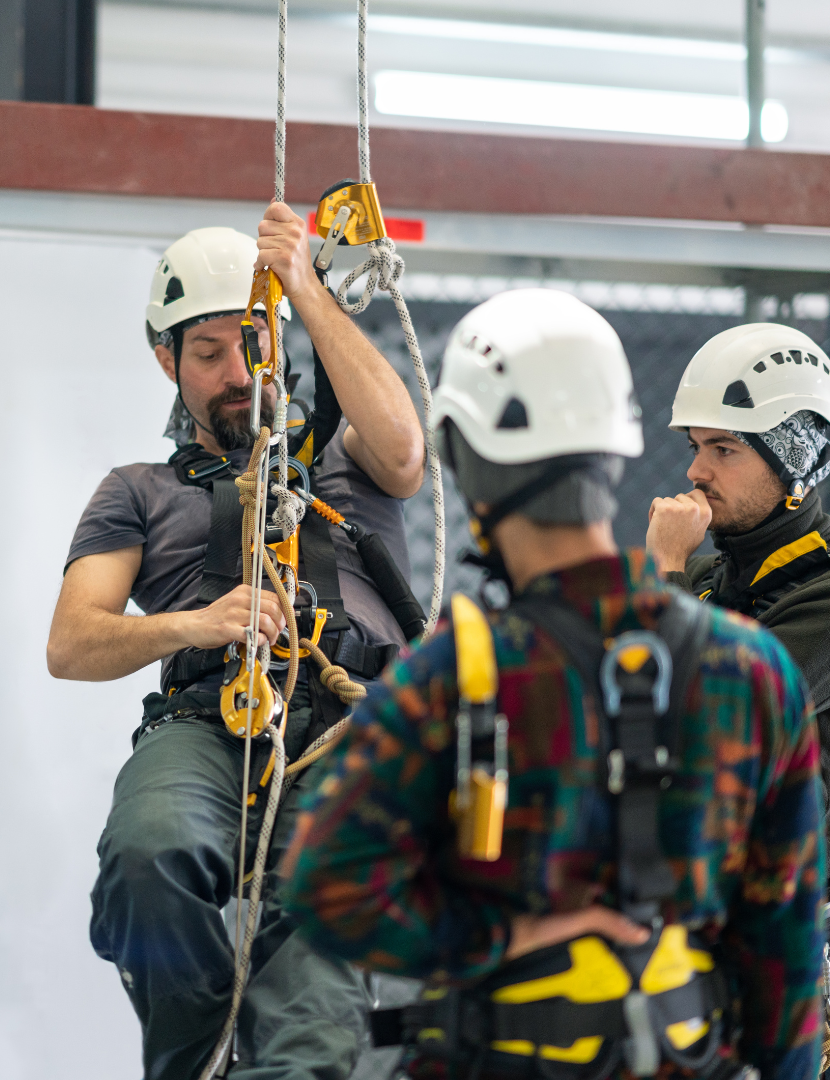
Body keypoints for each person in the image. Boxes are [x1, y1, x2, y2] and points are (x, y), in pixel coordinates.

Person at [280, 289, 826, 1080]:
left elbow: (326, 885)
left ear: (468, 466)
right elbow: (786, 951)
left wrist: (499, 938)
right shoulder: (754, 674)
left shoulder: (458, 673)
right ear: (616, 455)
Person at [46, 203, 426, 1079]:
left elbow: (407, 450)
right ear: (166, 361)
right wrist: (197, 625)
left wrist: (302, 289)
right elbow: (73, 642)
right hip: (209, 718)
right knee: (148, 857)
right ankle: (198, 1055)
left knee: (317, 945)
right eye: (206, 352)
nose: (234, 372)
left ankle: (290, 1060)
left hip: (348, 719)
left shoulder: (345, 456)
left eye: (252, 344)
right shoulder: (137, 490)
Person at [645, 324, 830, 789]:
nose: (695, 471)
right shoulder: (703, 578)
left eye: (724, 449)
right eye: (696, 446)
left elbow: (716, 723)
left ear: (795, 467)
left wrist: (666, 572)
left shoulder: (821, 600)